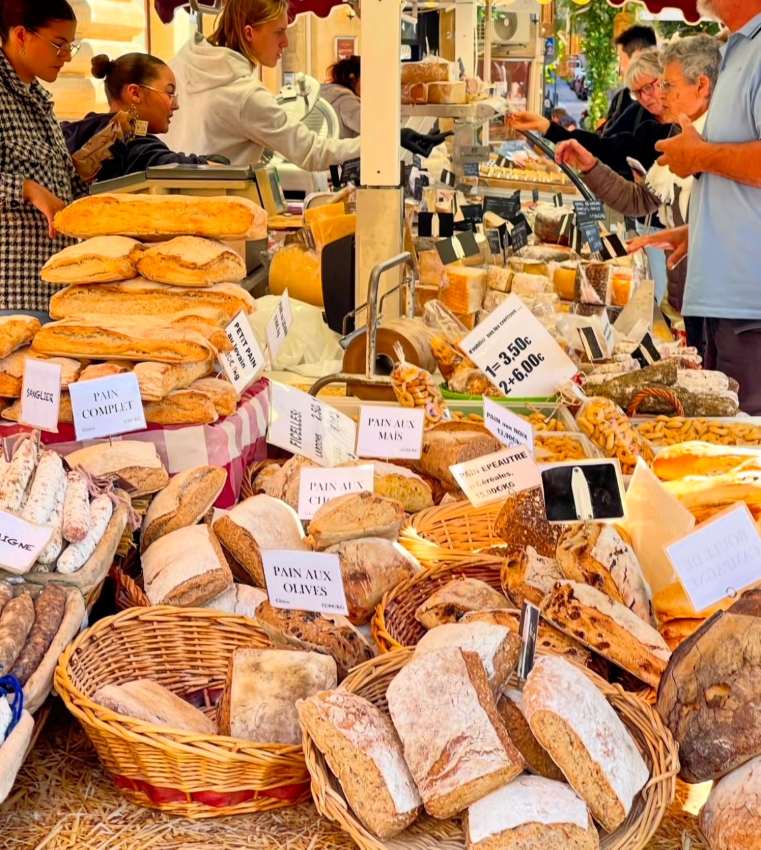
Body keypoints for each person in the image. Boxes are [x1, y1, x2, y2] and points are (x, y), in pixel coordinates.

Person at [630, 0, 761, 414]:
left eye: (668, 86)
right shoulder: (737, 48)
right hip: (720, 304)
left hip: (748, 308)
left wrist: (700, 157)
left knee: (743, 460)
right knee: (716, 452)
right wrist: (697, 230)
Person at [556, 35, 721, 352]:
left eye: (667, 85)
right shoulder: (678, 134)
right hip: (683, 306)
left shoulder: (721, 142)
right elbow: (640, 200)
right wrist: (591, 166)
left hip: (717, 311)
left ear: (701, 86)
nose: (658, 96)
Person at [0, 0, 86, 317]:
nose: (65, 56)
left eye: (71, 46)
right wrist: (28, 189)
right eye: (58, 45)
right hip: (10, 295)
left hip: (54, 288)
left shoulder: (38, 97)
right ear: (21, 35)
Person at [61, 53, 227, 183]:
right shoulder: (127, 139)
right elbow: (168, 166)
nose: (175, 105)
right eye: (169, 92)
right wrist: (217, 163)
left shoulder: (79, 131)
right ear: (135, 93)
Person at [510, 49, 673, 178]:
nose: (644, 98)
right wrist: (546, 126)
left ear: (666, 80)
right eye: (637, 92)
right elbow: (603, 147)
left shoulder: (689, 122)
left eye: (648, 87)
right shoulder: (638, 115)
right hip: (640, 213)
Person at [601, 25, 658, 137]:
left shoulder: (663, 104)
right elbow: (605, 139)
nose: (620, 68)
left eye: (622, 59)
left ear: (638, 55)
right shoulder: (620, 98)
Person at [320, 55, 360, 139]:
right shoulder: (347, 101)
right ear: (353, 78)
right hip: (342, 150)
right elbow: (370, 128)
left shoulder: (328, 94)